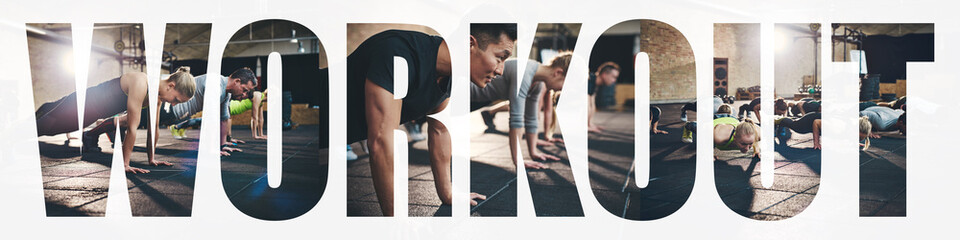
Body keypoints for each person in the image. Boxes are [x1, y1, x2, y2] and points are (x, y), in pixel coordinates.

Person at [345, 25, 516, 216]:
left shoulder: (450, 74)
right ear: (470, 44)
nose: (501, 70)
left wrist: (448, 193)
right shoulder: (397, 54)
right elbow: (381, 142)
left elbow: (439, 130)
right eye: (500, 58)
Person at [35, 67, 196, 173]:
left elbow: (153, 129)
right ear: (171, 86)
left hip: (92, 113)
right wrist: (125, 164)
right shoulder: (141, 82)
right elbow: (132, 127)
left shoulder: (157, 98)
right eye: (176, 99)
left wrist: (151, 158)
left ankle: (46, 108)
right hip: (82, 102)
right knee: (42, 129)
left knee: (49, 126)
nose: (173, 104)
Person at [84, 68, 258, 157]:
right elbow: (211, 119)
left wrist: (223, 144)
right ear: (236, 81)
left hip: (174, 112)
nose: (243, 95)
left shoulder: (225, 94)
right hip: (168, 106)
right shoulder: (215, 83)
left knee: (127, 121)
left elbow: (223, 118)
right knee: (127, 121)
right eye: (244, 89)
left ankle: (105, 130)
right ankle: (90, 134)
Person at [472, 52, 573, 169]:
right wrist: (518, 161)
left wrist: (533, 152)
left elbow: (532, 118)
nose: (563, 90)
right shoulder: (524, 73)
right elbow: (516, 120)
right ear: (558, 73)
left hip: (482, 100)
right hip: (466, 97)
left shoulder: (538, 82)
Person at [680, 115, 760, 159]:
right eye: (743, 144)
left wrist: (756, 151)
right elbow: (706, 140)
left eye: (750, 144)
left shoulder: (757, 134)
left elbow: (756, 140)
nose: (746, 148)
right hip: (717, 121)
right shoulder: (719, 137)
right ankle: (689, 124)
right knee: (697, 129)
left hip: (733, 119)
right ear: (735, 137)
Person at [587, 62, 620, 133]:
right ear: (604, 75)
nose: (614, 80)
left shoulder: (595, 83)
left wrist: (589, 124)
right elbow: (586, 106)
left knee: (591, 102)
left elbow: (592, 105)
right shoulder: (589, 80)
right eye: (613, 77)